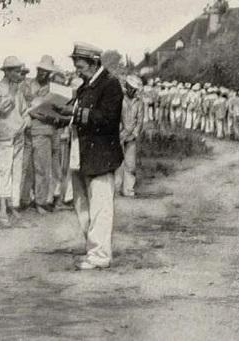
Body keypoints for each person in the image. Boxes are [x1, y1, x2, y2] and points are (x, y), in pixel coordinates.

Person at [56, 42, 124, 270]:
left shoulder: (111, 84)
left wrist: (75, 112)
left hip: (101, 154)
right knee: (82, 205)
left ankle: (100, 255)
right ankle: (93, 248)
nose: (77, 70)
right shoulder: (86, 87)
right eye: (76, 65)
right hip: (82, 152)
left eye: (81, 66)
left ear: (95, 63)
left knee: (100, 207)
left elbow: (107, 119)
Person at [0, 56, 31, 225]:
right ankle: (2, 207)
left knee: (17, 170)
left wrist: (26, 120)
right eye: (15, 71)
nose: (18, 74)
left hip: (18, 133)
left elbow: (24, 110)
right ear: (7, 72)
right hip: (4, 133)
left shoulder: (19, 89)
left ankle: (13, 205)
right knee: (4, 170)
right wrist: (11, 95)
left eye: (19, 70)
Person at [22, 55, 60, 213]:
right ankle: (24, 200)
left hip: (46, 130)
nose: (43, 73)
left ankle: (40, 201)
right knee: (27, 167)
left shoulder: (55, 88)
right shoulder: (27, 84)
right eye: (41, 70)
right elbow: (23, 105)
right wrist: (33, 113)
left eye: (46, 71)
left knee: (43, 167)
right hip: (29, 129)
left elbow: (59, 111)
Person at [115, 75, 143, 197]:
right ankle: (116, 188)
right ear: (127, 86)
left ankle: (129, 189)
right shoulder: (119, 99)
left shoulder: (139, 102)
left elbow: (140, 120)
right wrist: (119, 133)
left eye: (134, 88)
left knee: (130, 164)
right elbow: (116, 117)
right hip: (119, 133)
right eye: (130, 87)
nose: (132, 90)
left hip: (131, 135)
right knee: (118, 163)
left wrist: (135, 134)